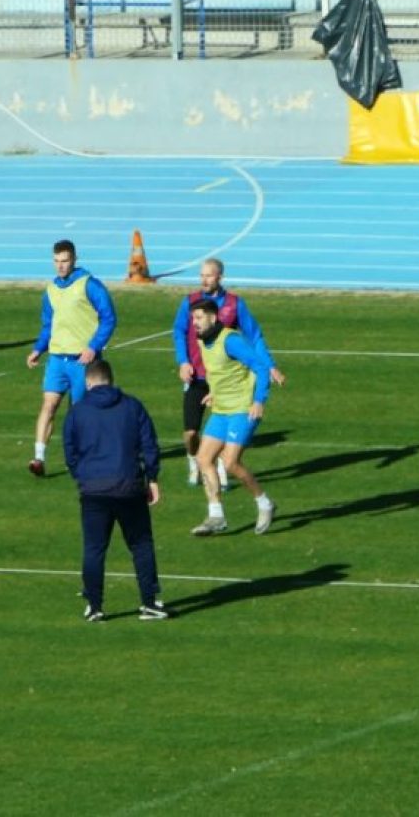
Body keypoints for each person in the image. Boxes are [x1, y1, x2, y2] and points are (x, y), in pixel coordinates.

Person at [62, 359, 166, 622]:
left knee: (94, 548)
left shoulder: (77, 411)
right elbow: (149, 444)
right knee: (141, 544)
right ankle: (150, 602)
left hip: (93, 490)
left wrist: (82, 476)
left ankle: (94, 605)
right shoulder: (132, 406)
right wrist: (152, 478)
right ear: (111, 380)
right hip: (129, 486)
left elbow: (70, 450)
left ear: (88, 382)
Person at [171, 257, 286, 489]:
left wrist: (270, 365)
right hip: (196, 376)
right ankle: (194, 459)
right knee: (191, 433)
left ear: (220, 277)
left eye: (209, 275)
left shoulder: (234, 304)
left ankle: (221, 469)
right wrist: (183, 362)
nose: (204, 280)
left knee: (221, 427)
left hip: (224, 380)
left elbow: (254, 337)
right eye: (201, 275)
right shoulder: (190, 302)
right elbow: (178, 331)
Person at [188, 299, 279, 537]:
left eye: (199, 317)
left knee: (230, 463)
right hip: (221, 410)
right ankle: (216, 515)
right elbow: (219, 372)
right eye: (193, 318)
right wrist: (214, 392)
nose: (194, 323)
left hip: (243, 409)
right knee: (203, 458)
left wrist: (259, 400)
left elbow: (260, 367)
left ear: (213, 317)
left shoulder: (231, 340)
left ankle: (264, 503)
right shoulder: (202, 340)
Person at [26, 239, 117, 477]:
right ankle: (38, 457)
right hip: (57, 359)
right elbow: (48, 324)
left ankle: (80, 455)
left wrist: (93, 347)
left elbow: (109, 318)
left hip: (82, 361)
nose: (60, 266)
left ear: (74, 259)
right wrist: (38, 348)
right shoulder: (51, 290)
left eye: (65, 261)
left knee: (80, 412)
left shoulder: (90, 285)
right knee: (49, 405)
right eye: (56, 261)